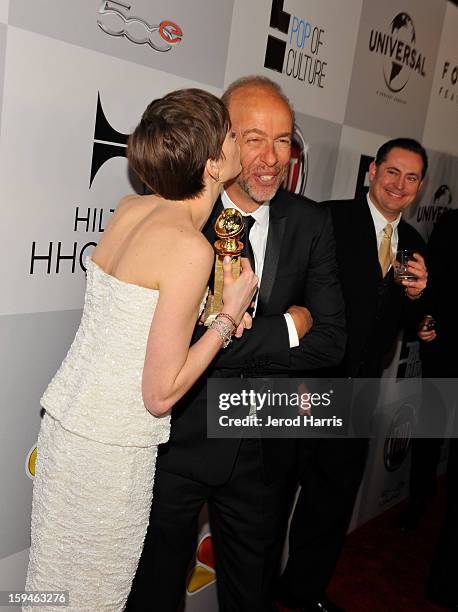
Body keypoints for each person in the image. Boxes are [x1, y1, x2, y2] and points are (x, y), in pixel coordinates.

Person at [24, 88, 258, 611]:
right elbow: (159, 394)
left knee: (52, 588)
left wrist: (208, 313)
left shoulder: (131, 208)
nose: (241, 140)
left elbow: (134, 314)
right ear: (215, 163)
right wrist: (224, 318)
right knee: (94, 598)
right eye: (233, 134)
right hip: (110, 451)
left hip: (68, 428)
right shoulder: (190, 249)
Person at [126, 76, 346, 612]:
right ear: (223, 142)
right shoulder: (180, 216)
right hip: (174, 442)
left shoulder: (311, 221)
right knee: (154, 593)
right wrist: (289, 328)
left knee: (252, 596)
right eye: (254, 138)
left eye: (284, 140)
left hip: (263, 448)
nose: (272, 158)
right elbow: (161, 346)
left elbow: (334, 342)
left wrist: (219, 335)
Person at [277, 138, 429, 612]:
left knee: (331, 502)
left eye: (411, 177)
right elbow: (288, 292)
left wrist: (419, 299)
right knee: (273, 495)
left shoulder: (417, 247)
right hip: (304, 384)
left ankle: (302, 593)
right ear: (372, 172)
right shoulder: (327, 218)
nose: (399, 184)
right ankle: (254, 595)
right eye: (392, 172)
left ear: (420, 186)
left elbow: (404, 325)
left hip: (360, 394)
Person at [410, 209, 458, 608]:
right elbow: (434, 284)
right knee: (430, 430)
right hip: (446, 349)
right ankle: (417, 501)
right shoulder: (453, 224)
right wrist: (428, 322)